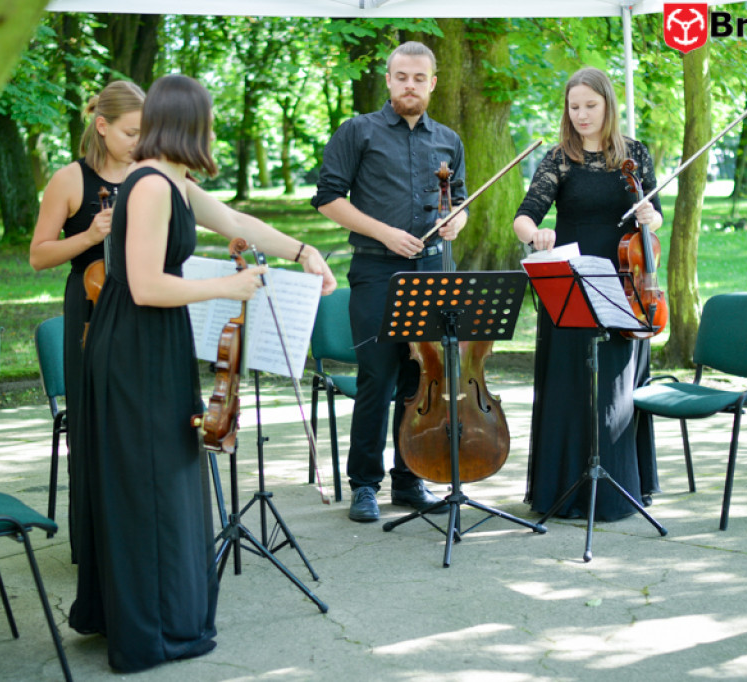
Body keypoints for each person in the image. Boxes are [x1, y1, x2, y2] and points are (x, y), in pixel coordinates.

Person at [69, 74, 335, 673]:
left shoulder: (172, 181)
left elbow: (236, 221)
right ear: (189, 125)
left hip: (154, 341)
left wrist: (303, 251)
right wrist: (228, 287)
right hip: (133, 347)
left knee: (161, 480)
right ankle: (152, 630)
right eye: (208, 124)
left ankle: (150, 615)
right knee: (151, 486)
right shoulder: (151, 186)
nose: (212, 134)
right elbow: (144, 285)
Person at [312, 41, 468, 523]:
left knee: (419, 379)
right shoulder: (358, 131)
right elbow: (328, 198)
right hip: (377, 268)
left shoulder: (449, 140)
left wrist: (455, 222)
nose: (410, 86)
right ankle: (364, 485)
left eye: (419, 78)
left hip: (432, 272)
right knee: (377, 377)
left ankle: (409, 478)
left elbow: (460, 200)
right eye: (402, 77)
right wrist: (385, 233)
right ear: (388, 79)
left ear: (432, 83)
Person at [512, 67, 661, 521]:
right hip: (571, 282)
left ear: (608, 105)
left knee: (614, 389)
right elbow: (524, 216)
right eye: (574, 106)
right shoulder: (560, 158)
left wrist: (650, 216)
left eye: (590, 106)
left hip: (624, 286)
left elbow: (655, 215)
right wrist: (535, 234)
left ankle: (618, 491)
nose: (581, 114)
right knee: (570, 385)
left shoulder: (634, 153)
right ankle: (565, 493)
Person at [28, 80, 145, 558]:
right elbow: (38, 255)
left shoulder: (147, 175)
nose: (140, 142)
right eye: (132, 133)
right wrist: (91, 235)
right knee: (94, 428)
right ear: (102, 126)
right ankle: (96, 547)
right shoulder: (69, 180)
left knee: (140, 425)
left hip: (142, 306)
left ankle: (140, 537)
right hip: (89, 311)